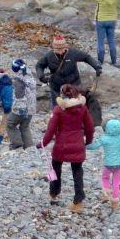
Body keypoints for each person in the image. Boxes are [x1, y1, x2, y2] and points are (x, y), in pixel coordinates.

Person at [38, 83, 95, 212]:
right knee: (77, 171)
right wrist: (88, 141)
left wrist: (43, 143)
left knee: (55, 168)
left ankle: (54, 193)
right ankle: (78, 201)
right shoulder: (83, 108)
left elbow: (50, 131)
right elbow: (90, 127)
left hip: (61, 146)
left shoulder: (58, 110)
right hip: (78, 144)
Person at [34, 35, 101, 107]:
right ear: (53, 48)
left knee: (76, 107)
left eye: (61, 48)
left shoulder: (73, 53)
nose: (60, 52)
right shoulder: (49, 56)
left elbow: (86, 57)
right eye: (57, 49)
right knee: (57, 108)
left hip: (74, 85)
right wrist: (41, 76)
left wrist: (97, 67)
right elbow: (39, 65)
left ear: (65, 46)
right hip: (56, 86)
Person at [86, 118, 120, 211]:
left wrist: (85, 146)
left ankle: (107, 191)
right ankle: (115, 203)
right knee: (116, 182)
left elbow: (95, 146)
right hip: (119, 164)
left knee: (105, 178)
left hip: (108, 164)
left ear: (106, 128)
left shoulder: (104, 138)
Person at [91, 0, 120, 66]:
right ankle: (114, 62)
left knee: (100, 42)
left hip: (101, 20)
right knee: (111, 41)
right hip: (112, 20)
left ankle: (100, 62)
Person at [6, 58, 37, 149]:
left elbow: (19, 96)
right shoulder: (30, 76)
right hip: (31, 108)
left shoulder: (19, 80)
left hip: (21, 108)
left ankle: (16, 142)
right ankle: (29, 147)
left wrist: (18, 109)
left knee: (10, 124)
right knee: (25, 126)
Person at [0, 69, 14, 147]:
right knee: (22, 125)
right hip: (21, 107)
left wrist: (6, 110)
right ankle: (24, 143)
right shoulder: (8, 82)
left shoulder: (2, 86)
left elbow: (7, 102)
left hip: (11, 108)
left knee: (3, 124)